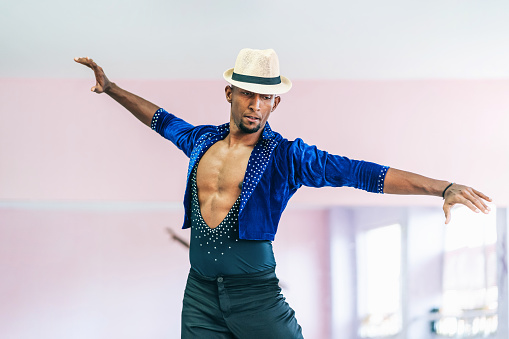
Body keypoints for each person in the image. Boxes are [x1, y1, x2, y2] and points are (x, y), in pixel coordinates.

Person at [74, 48, 491, 339]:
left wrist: (442, 187)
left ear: (275, 103)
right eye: (247, 93)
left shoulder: (289, 157)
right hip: (199, 291)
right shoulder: (200, 141)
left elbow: (360, 173)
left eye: (265, 97)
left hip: (255, 295)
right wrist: (111, 88)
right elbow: (160, 119)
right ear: (230, 94)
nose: (255, 104)